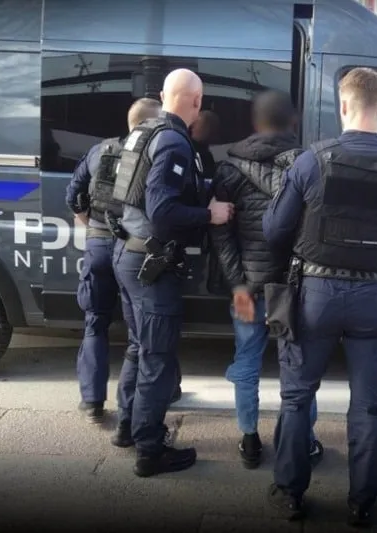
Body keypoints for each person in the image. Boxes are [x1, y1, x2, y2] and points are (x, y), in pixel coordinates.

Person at [262, 67, 377, 526]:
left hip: (313, 294)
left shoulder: (312, 161)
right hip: (371, 296)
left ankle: (290, 494)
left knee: (298, 397)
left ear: (342, 105)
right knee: (369, 403)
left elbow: (274, 230)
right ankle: (363, 502)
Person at [109, 68, 234, 477]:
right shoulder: (174, 142)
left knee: (138, 348)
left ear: (164, 96)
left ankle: (127, 428)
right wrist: (210, 214)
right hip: (152, 264)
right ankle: (150, 450)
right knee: (157, 359)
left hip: (127, 253)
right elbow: (163, 211)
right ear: (196, 102)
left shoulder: (143, 132)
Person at [209, 90, 323, 470]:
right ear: (293, 122)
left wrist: (238, 286)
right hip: (295, 288)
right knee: (300, 366)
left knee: (246, 360)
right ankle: (303, 440)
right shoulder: (308, 167)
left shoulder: (228, 171)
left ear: (255, 124)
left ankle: (249, 439)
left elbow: (221, 237)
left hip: (250, 288)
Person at [65, 97, 162, 424]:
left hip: (98, 244)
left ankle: (92, 401)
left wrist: (92, 226)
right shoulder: (152, 155)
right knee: (137, 332)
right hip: (131, 249)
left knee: (95, 321)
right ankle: (128, 408)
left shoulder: (100, 151)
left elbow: (72, 196)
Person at [190, 109, 220, 179]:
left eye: (196, 123)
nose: (192, 126)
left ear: (208, 129)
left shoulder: (205, 157)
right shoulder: (186, 147)